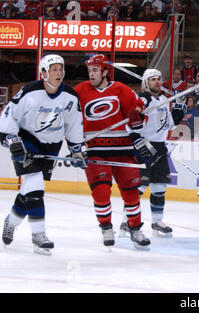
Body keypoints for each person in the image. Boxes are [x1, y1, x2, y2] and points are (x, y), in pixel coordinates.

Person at [1, 54, 86, 255]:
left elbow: (74, 125)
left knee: (30, 191)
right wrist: (11, 140)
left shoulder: (70, 97)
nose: (59, 73)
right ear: (43, 72)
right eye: (54, 69)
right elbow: (9, 117)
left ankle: (11, 221)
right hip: (26, 141)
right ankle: (39, 235)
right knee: (36, 186)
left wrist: (77, 151)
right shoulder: (29, 92)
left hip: (51, 145)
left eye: (61, 68)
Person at [74, 54, 150, 250]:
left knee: (131, 192)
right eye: (89, 70)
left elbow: (139, 118)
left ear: (106, 71)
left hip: (123, 150)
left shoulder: (120, 90)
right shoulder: (80, 91)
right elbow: (69, 118)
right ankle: (106, 227)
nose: (91, 74)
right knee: (101, 192)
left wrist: (137, 119)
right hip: (95, 151)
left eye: (95, 70)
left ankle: (135, 229)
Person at [122, 68, 186, 238]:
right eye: (153, 79)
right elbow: (130, 123)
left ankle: (157, 221)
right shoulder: (142, 99)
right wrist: (136, 139)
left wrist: (180, 108)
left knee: (159, 186)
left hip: (159, 147)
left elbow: (170, 124)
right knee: (138, 187)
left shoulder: (165, 99)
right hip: (143, 146)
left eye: (159, 79)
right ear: (146, 83)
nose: (157, 82)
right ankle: (126, 221)